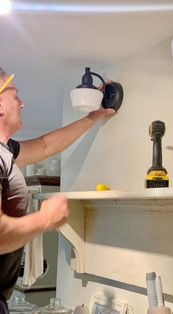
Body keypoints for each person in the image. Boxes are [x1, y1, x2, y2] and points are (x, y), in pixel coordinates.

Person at [0, 67, 115, 313]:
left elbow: (44, 146)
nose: (22, 103)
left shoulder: (6, 151)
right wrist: (45, 219)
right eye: (15, 95)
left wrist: (92, 118)